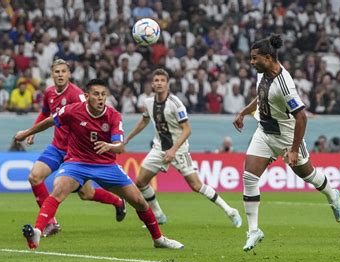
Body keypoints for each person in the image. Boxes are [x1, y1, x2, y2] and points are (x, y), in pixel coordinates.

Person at [14, 79, 183, 250]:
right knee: (58, 189)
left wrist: (111, 146)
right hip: (77, 163)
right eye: (96, 94)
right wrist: (26, 133)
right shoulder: (72, 111)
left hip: (106, 165)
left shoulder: (113, 115)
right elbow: (50, 120)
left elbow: (120, 145)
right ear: (87, 96)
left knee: (140, 201)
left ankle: (158, 239)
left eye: (103, 94)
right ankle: (37, 231)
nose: (101, 98)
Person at [233, 35, 340, 252]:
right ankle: (254, 231)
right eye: (251, 58)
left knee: (308, 175)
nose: (251, 62)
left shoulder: (285, 85)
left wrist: (293, 149)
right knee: (249, 177)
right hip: (265, 132)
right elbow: (261, 97)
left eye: (255, 59)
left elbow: (302, 117)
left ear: (268, 57)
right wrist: (244, 112)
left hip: (286, 136)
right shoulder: (263, 73)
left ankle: (332, 193)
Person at [125, 68, 242, 228]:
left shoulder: (176, 104)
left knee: (196, 185)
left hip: (179, 150)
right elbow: (144, 121)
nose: (159, 83)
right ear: (152, 84)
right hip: (159, 148)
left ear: (167, 84)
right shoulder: (148, 102)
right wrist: (126, 140)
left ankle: (230, 210)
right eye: (156, 80)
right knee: (140, 181)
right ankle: (158, 215)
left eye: (162, 80)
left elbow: (187, 129)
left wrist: (173, 150)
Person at [24, 59, 125, 238]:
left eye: (64, 71)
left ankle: (117, 201)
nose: (60, 75)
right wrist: (32, 130)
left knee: (87, 194)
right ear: (52, 74)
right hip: (57, 147)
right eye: (57, 72)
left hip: (76, 152)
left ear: (69, 74)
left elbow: (89, 119)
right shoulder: (49, 92)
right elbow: (45, 113)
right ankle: (50, 222)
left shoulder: (77, 95)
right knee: (34, 177)